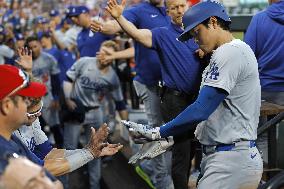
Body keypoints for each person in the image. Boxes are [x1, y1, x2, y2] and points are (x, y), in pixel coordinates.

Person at [122, 1, 263, 188]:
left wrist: (160, 132)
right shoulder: (229, 51)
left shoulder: (229, 52)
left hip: (230, 161)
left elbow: (201, 109)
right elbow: (215, 113)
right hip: (229, 156)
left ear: (213, 22)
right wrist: (171, 138)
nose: (195, 39)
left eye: (196, 32)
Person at [105, 0, 203, 188]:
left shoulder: (199, 32)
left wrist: (205, 49)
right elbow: (137, 34)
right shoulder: (162, 34)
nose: (179, 10)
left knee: (195, 146)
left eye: (182, 5)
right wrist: (119, 18)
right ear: (168, 12)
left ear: (188, 6)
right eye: (174, 7)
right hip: (175, 100)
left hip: (198, 100)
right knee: (181, 152)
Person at [90, 1, 174, 188]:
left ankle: (150, 167)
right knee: (158, 132)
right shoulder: (138, 11)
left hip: (172, 84)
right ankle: (162, 181)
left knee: (173, 132)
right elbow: (118, 25)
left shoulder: (174, 9)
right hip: (149, 83)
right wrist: (105, 26)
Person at [13, 47, 123, 176]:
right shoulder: (7, 136)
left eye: (40, 109)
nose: (39, 115)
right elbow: (40, 170)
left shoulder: (31, 120)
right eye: (33, 113)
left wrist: (88, 151)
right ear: (13, 108)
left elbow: (49, 153)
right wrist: (88, 153)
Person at [63, 40, 128, 189]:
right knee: (68, 150)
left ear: (113, 56)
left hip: (96, 112)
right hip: (76, 110)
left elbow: (120, 103)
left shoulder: (112, 76)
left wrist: (128, 126)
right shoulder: (85, 62)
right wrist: (68, 98)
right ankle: (64, 185)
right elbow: (68, 79)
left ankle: (94, 186)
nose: (102, 55)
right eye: (101, 50)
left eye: (107, 53)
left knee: (95, 152)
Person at [244, 0, 284, 164]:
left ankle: (264, 179)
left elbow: (246, 56)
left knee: (261, 137)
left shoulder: (260, 19)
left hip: (263, 89)